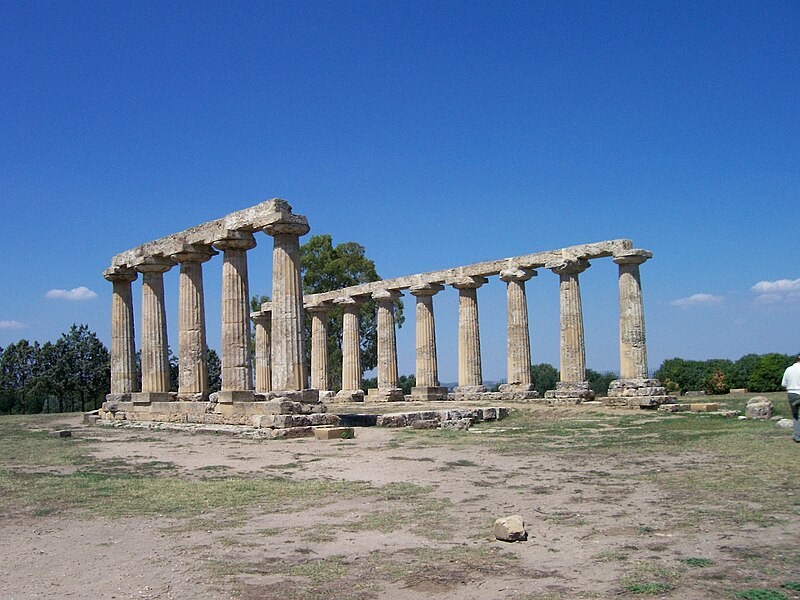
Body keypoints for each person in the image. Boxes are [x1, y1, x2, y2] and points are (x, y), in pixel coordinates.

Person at [781, 355, 800, 443]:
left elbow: (784, 384)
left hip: (791, 393)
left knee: (795, 415)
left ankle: (797, 436)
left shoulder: (788, 369)